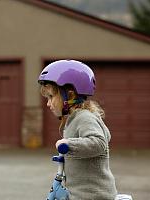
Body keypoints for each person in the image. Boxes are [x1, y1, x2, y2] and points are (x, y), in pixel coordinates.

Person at [38, 59, 118, 200]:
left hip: (94, 196)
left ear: (70, 95)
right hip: (78, 194)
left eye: (51, 96)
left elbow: (99, 143)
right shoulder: (73, 119)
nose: (48, 103)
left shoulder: (84, 117)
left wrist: (69, 144)